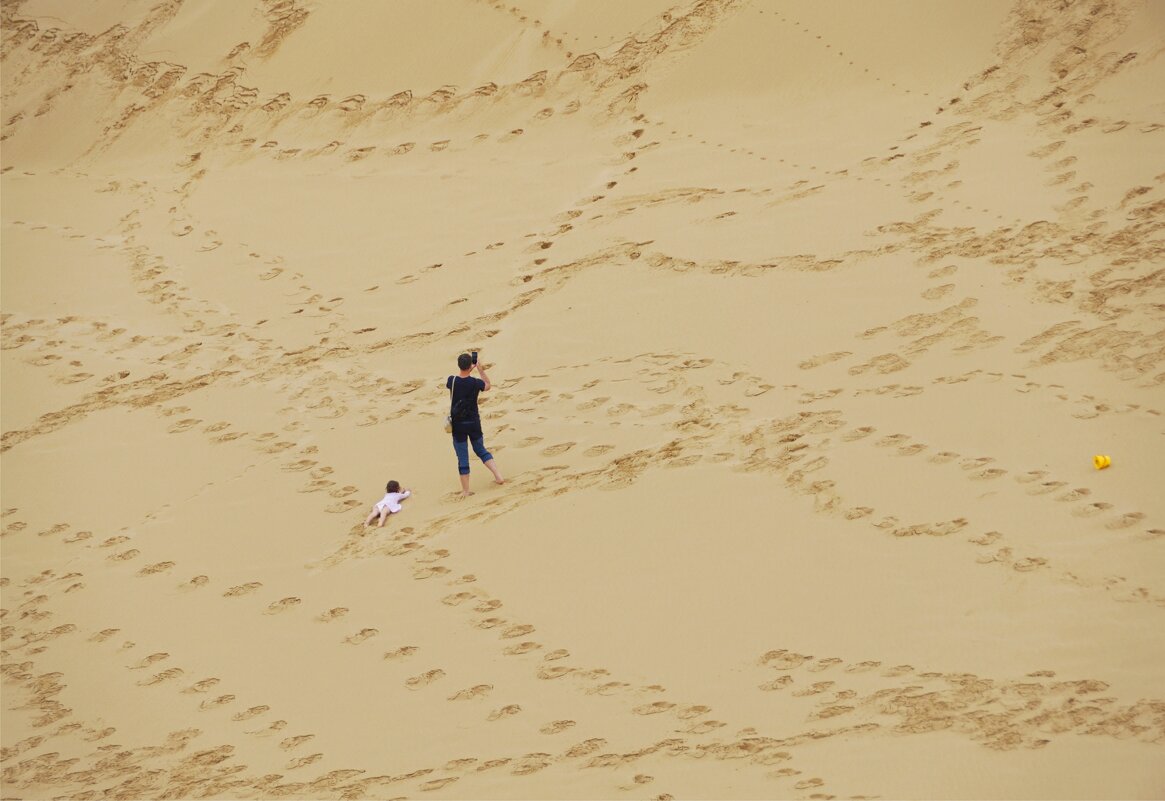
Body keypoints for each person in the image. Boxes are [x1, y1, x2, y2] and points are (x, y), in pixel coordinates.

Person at [447, 353, 504, 496]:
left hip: (459, 425)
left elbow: (458, 379)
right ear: (470, 365)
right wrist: (479, 369)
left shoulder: (452, 381)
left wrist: (468, 369)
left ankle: (465, 491)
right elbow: (488, 385)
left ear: (459, 365)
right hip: (474, 423)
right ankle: (498, 476)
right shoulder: (475, 383)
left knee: (463, 457)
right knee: (480, 450)